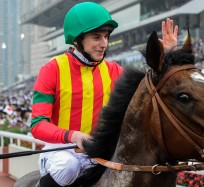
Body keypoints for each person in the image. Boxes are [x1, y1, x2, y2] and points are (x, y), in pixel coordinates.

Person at [30, 2, 178, 187]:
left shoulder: (114, 70)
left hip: (99, 151)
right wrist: (73, 136)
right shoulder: (52, 69)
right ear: (77, 39)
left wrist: (164, 56)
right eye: (97, 37)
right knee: (67, 167)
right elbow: (37, 125)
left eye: (106, 37)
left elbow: (149, 86)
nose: (104, 44)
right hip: (62, 151)